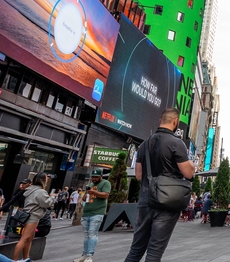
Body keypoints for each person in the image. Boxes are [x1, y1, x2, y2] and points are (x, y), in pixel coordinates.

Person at [123, 107, 194, 262]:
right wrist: (192, 166)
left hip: (145, 200)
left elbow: (138, 175)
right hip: (166, 202)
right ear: (176, 122)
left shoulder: (144, 144)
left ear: (159, 121)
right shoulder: (177, 143)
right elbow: (188, 173)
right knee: (154, 252)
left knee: (136, 249)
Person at [13, 173, 54, 261]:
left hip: (27, 215)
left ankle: (26, 258)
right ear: (43, 180)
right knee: (24, 239)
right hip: (33, 216)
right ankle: (14, 260)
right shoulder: (40, 191)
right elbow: (46, 203)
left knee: (29, 238)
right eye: (46, 179)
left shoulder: (30, 189)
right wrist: (52, 198)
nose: (47, 180)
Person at [73, 168, 110, 262]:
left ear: (101, 176)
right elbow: (86, 197)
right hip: (87, 212)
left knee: (92, 234)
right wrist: (85, 196)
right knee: (86, 234)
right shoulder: (90, 185)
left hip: (97, 212)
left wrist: (94, 192)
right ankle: (84, 255)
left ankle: (90, 255)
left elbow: (105, 195)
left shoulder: (105, 183)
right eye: (93, 177)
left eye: (96, 177)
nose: (94, 179)